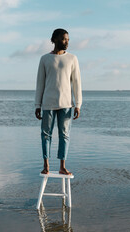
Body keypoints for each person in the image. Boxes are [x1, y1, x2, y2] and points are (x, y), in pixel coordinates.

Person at [34, 28, 82, 175]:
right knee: (46, 134)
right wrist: (37, 104)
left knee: (65, 135)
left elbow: (76, 83)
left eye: (67, 39)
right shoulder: (44, 59)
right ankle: (46, 165)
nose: (66, 42)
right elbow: (40, 83)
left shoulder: (72, 58)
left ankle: (62, 166)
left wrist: (78, 104)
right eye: (63, 39)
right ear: (54, 40)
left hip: (67, 104)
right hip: (48, 103)